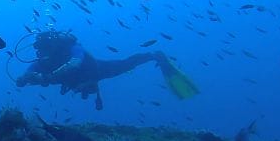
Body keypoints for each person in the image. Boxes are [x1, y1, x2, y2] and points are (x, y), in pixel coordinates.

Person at [15, 30, 198, 110]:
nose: (40, 52)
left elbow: (76, 63)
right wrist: (23, 79)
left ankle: (153, 55)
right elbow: (28, 73)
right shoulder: (42, 61)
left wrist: (49, 77)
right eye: (38, 48)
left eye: (44, 47)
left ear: (53, 45)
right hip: (78, 81)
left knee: (125, 64)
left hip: (96, 70)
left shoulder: (71, 48)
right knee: (124, 65)